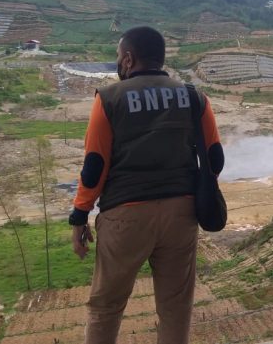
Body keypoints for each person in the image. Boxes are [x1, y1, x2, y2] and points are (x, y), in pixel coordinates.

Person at [69, 26, 223, 344]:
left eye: (117, 57)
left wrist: (79, 215)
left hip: (125, 215)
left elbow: (94, 167)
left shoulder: (109, 98)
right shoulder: (194, 97)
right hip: (181, 215)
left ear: (128, 58)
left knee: (106, 309)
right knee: (175, 309)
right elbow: (214, 157)